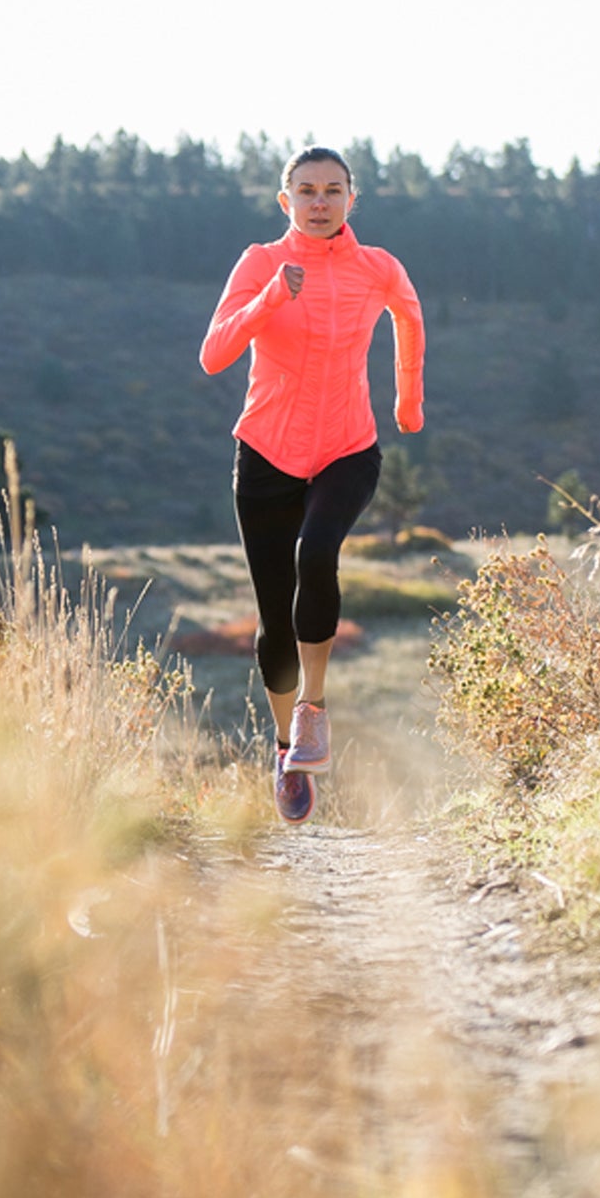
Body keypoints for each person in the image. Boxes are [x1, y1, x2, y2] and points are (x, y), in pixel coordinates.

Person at [199, 145, 425, 824]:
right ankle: (284, 748)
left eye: (332, 190)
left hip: (347, 448)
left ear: (352, 199)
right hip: (266, 453)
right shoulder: (259, 262)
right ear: (285, 200)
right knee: (275, 619)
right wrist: (272, 296)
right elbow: (214, 354)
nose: (319, 202)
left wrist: (407, 402)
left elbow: (410, 317)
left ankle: (313, 710)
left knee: (316, 553)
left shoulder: (377, 266)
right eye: (306, 190)